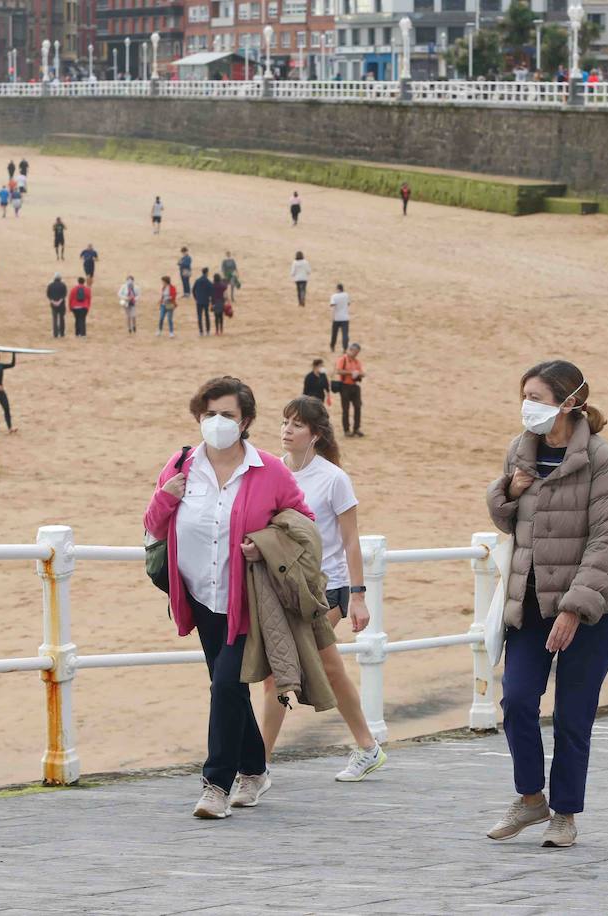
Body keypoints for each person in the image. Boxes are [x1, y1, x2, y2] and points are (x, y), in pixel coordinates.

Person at [142, 376, 313, 819]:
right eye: (210, 413)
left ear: (247, 421)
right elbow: (153, 527)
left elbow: (303, 522)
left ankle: (215, 783)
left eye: (229, 415)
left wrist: (266, 544)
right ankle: (255, 769)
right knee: (230, 690)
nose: (218, 422)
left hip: (248, 599)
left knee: (225, 684)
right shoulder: (180, 465)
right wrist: (166, 497)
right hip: (200, 597)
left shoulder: (269, 470)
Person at [484, 359, 608, 848]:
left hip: (594, 604)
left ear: (570, 402)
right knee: (518, 701)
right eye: (523, 396)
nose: (527, 407)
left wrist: (574, 608)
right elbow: (507, 522)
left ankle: (565, 812)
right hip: (529, 599)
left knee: (573, 712)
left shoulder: (600, 457)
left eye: (538, 398)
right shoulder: (519, 450)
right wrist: (507, 489)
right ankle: (531, 799)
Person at [266, 397, 386, 781]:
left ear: (315, 434)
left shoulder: (333, 478)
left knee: (281, 671)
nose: (287, 429)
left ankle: (256, 763)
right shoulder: (271, 472)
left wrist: (358, 596)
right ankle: (368, 747)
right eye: (285, 422)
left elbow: (351, 541)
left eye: (297, 424)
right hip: (286, 589)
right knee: (326, 670)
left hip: (327, 590)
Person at [329, 283, 351, 352]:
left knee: (334, 334)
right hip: (345, 318)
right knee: (345, 334)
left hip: (336, 318)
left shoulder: (334, 296)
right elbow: (348, 304)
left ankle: (332, 346)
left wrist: (332, 316)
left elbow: (332, 306)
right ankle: (345, 348)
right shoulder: (346, 295)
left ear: (338, 289)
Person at [192, 267, 214, 337]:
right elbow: (212, 291)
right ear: (207, 273)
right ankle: (207, 331)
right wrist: (210, 298)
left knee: (199, 316)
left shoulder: (197, 280)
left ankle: (201, 331)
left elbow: (193, 290)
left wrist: (196, 298)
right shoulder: (208, 281)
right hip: (206, 301)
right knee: (207, 316)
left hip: (199, 301)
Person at [47, 273, 68, 338]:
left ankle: (55, 334)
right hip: (61, 304)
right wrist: (59, 301)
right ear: (60, 278)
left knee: (55, 319)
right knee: (62, 319)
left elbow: (48, 295)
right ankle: (62, 333)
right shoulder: (63, 285)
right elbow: (64, 294)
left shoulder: (50, 285)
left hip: (53, 305)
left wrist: (53, 301)